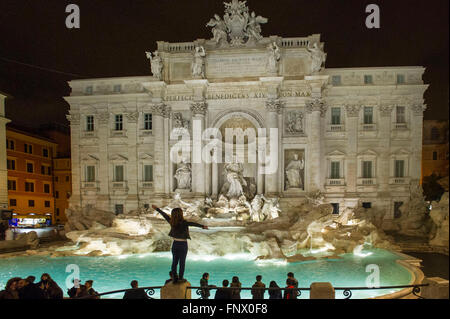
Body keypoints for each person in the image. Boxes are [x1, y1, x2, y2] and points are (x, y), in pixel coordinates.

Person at [152, 205, 208, 282]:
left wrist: (157, 209)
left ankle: (174, 278)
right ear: (181, 214)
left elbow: (164, 215)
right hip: (183, 244)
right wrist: (202, 226)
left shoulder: (171, 221)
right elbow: (192, 224)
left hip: (175, 243)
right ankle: (181, 278)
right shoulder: (184, 223)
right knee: (182, 263)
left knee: (174, 262)